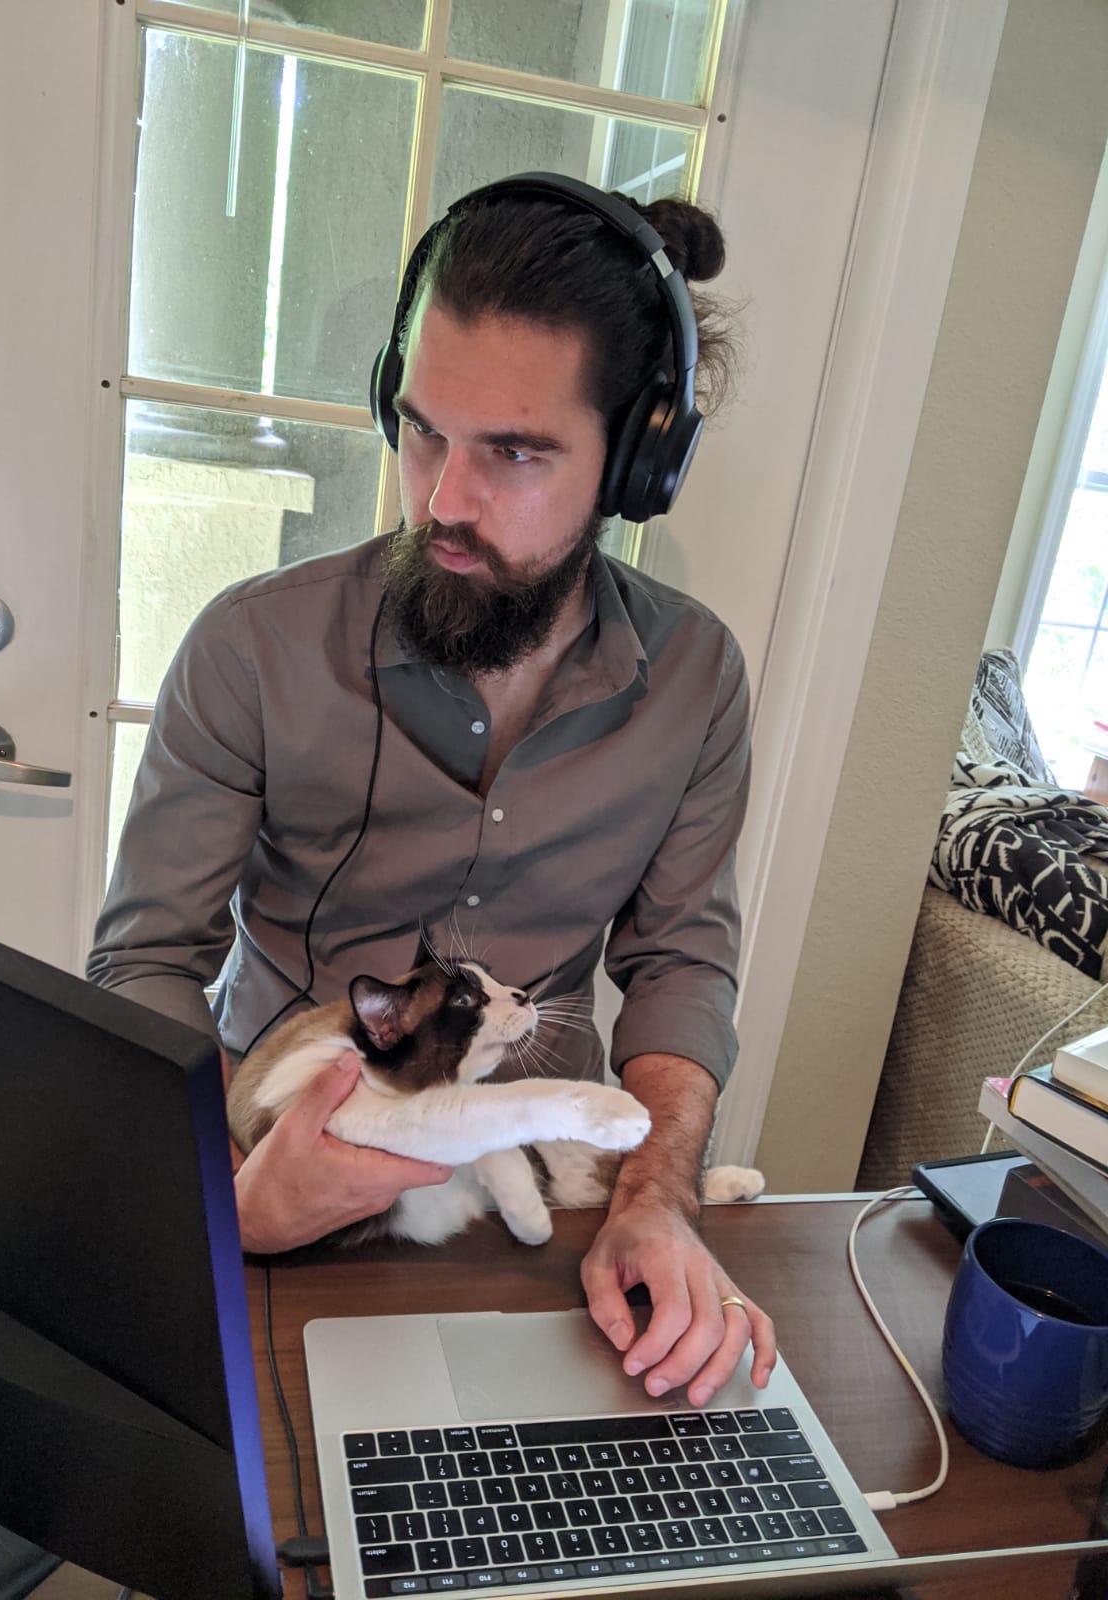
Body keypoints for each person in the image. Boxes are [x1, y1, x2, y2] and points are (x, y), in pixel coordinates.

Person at [88, 172, 776, 1407]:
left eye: (514, 451)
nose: (444, 502)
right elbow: (144, 961)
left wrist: (658, 1196)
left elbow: (683, 966)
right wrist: (224, 1189)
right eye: (421, 431)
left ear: (635, 461)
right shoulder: (252, 650)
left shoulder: (698, 680)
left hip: (553, 1203)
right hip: (283, 1183)